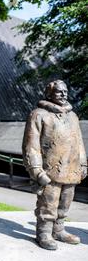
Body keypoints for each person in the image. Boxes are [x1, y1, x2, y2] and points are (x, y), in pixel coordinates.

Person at [22, 79, 87, 250]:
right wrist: (36, 171)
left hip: (71, 169)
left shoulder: (72, 116)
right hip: (49, 170)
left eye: (65, 91)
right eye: (59, 92)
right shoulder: (38, 115)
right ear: (49, 94)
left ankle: (59, 229)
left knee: (65, 202)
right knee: (48, 203)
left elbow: (79, 141)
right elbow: (31, 146)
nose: (64, 94)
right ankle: (44, 232)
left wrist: (83, 164)